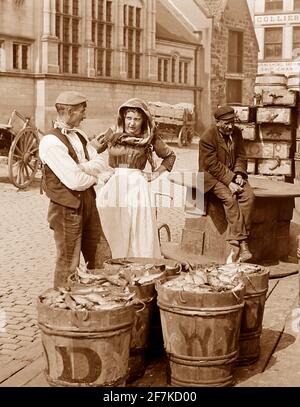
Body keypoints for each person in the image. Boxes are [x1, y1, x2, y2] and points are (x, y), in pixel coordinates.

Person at [89, 98, 176, 259]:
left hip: (137, 186)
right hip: (114, 185)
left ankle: (140, 264)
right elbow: (89, 151)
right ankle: (113, 262)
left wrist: (154, 174)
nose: (132, 123)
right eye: (129, 118)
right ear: (123, 118)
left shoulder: (149, 136)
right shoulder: (112, 133)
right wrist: (100, 173)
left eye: (137, 119)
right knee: (110, 224)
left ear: (143, 120)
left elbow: (169, 156)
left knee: (138, 228)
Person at [39, 91, 109, 288]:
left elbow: (99, 161)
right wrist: (96, 176)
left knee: (101, 254)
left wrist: (84, 167)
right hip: (65, 208)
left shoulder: (80, 135)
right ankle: (62, 305)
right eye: (81, 111)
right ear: (69, 111)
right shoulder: (50, 142)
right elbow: (75, 181)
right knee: (69, 262)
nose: (85, 116)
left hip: (88, 202)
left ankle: (104, 300)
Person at [198, 105, 255, 262]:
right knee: (230, 198)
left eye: (232, 122)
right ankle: (243, 243)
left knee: (249, 196)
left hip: (230, 174)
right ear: (217, 122)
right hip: (211, 177)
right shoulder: (207, 138)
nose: (230, 126)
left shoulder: (236, 133)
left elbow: (241, 156)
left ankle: (238, 239)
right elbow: (211, 165)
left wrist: (238, 174)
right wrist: (230, 180)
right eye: (226, 123)